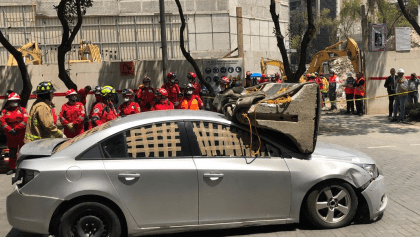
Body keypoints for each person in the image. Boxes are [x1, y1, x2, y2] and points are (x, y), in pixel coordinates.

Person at [0, 93, 28, 170]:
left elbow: (25, 120)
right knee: (12, 152)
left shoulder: (23, 110)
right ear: (8, 102)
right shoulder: (5, 111)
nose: (13, 102)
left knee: (23, 151)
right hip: (10, 135)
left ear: (18, 101)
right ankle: (12, 168)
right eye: (11, 101)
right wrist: (10, 130)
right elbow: (2, 122)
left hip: (21, 133)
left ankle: (24, 168)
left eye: (15, 100)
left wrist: (16, 129)